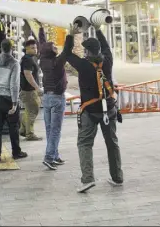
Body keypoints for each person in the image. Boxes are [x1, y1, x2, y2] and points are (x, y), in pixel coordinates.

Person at [63, 24, 123, 193]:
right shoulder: (108, 61)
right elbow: (106, 47)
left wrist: (70, 35)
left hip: (90, 111)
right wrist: (98, 29)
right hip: (109, 110)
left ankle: (88, 179)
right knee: (112, 143)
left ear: (88, 52)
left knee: (84, 143)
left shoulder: (83, 65)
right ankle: (117, 177)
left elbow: (67, 54)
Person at [0, 39, 28, 164]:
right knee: (13, 126)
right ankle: (16, 152)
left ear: (1, 47)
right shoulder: (14, 63)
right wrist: (15, 103)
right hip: (8, 98)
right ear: (11, 48)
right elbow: (14, 84)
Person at [38, 26, 69, 170]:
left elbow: (42, 44)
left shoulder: (43, 60)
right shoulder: (57, 63)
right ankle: (49, 157)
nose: (57, 48)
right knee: (55, 130)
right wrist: (71, 34)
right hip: (57, 98)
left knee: (50, 129)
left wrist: (40, 29)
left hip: (47, 97)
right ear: (51, 51)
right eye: (54, 47)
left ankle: (55, 155)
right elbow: (67, 50)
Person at [19, 39, 42, 141]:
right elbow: (28, 74)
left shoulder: (28, 58)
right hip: (29, 91)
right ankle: (30, 134)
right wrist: (37, 88)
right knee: (33, 111)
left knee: (29, 111)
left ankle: (23, 130)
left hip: (27, 90)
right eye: (32, 48)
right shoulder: (28, 59)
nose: (35, 49)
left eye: (36, 47)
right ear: (26, 49)